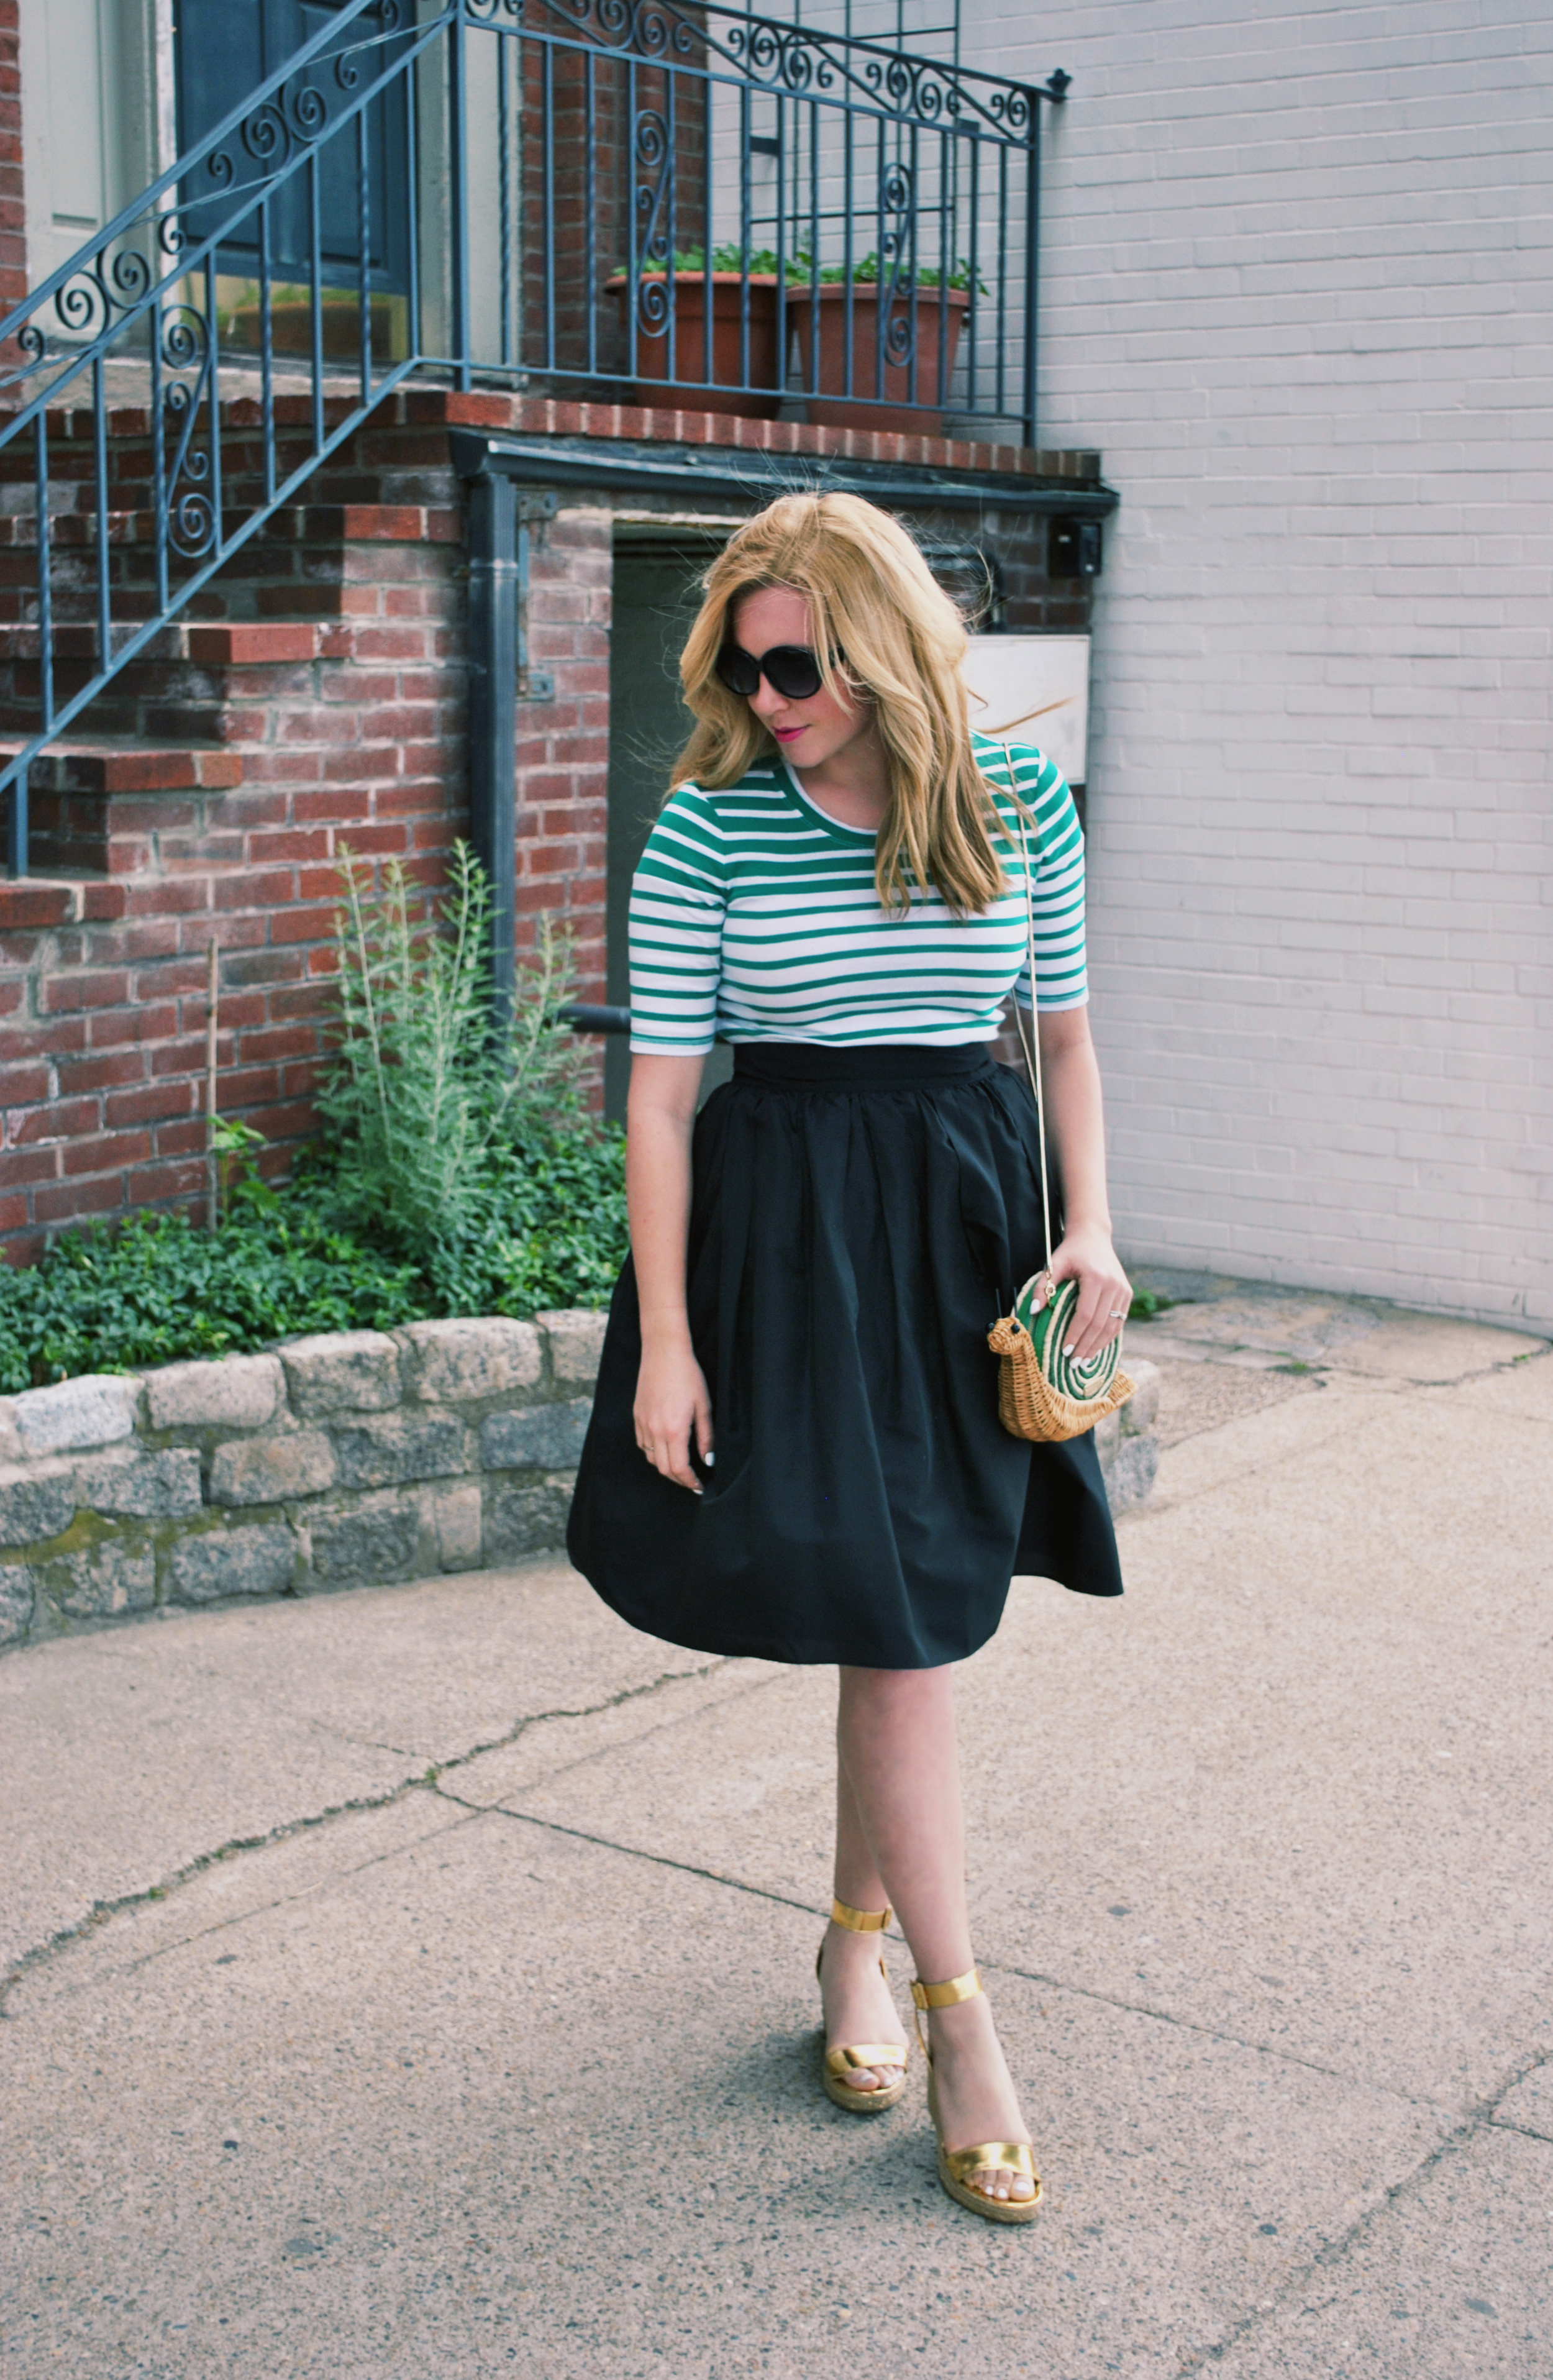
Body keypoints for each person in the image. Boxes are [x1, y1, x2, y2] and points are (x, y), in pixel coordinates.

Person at [568, 491, 1129, 2224]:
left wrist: (1092, 1230)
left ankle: (851, 1955)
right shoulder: (711, 828)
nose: (773, 694)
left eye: (800, 662)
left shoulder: (1015, 801)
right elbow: (659, 1104)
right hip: (788, 1250)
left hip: (961, 1237)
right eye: (747, 668)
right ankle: (965, 2027)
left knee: (892, 1628)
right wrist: (667, 1346)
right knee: (888, 1627)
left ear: (880, 642)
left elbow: (1060, 1041)